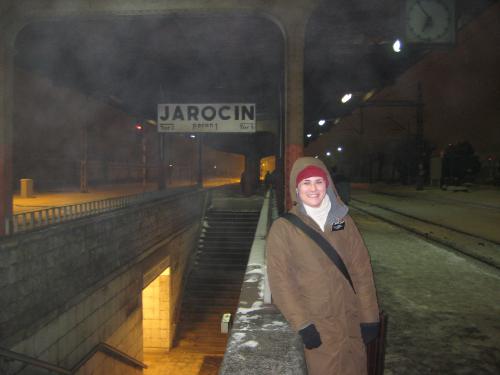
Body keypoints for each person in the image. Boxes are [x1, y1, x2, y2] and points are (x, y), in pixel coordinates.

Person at [266, 157, 380, 375]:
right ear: (296, 189)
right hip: (319, 327)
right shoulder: (284, 228)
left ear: (327, 184)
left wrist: (369, 316)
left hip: (351, 323)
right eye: (306, 183)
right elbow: (281, 281)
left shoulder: (343, 221)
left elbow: (361, 271)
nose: (313, 188)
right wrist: (302, 324)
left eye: (318, 181)